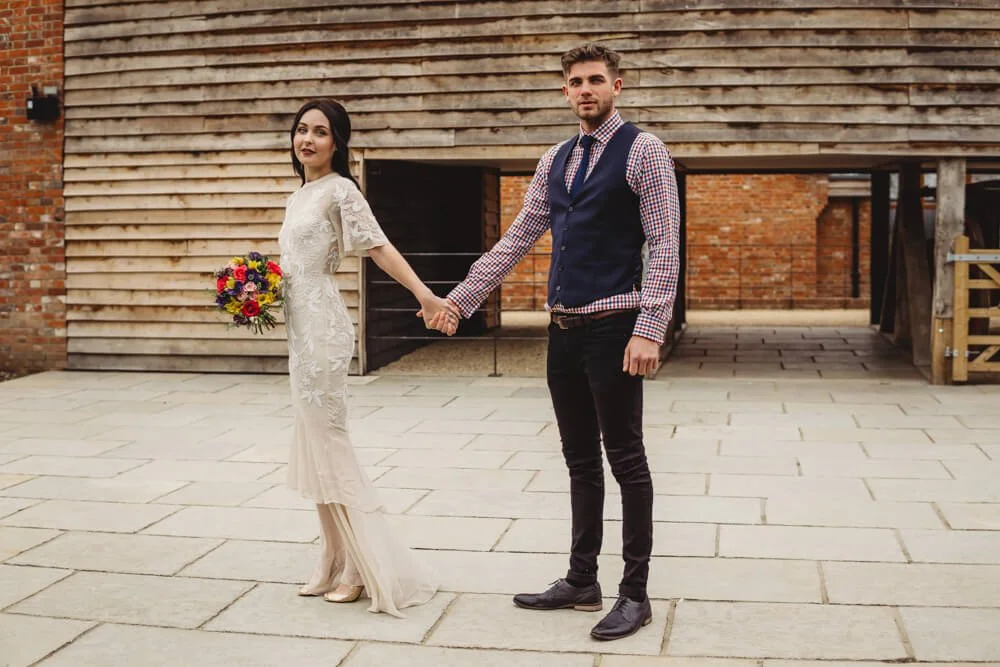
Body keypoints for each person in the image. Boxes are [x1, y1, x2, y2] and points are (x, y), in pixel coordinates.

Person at [426, 44, 680, 640]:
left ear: (617, 85)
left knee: (626, 459)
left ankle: (635, 594)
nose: (585, 89)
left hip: (617, 325)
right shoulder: (555, 160)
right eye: (575, 82)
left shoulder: (645, 151)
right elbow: (516, 240)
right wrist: (461, 300)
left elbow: (665, 245)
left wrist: (650, 329)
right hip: (562, 330)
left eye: (595, 80)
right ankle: (581, 579)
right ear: (564, 91)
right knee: (578, 460)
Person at [279, 98, 458, 617]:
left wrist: (425, 296)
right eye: (301, 130)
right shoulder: (301, 195)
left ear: (338, 142)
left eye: (320, 132)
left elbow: (378, 246)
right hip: (297, 330)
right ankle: (332, 555)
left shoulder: (341, 191)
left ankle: (361, 566)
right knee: (314, 445)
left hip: (323, 331)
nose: (307, 139)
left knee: (330, 445)